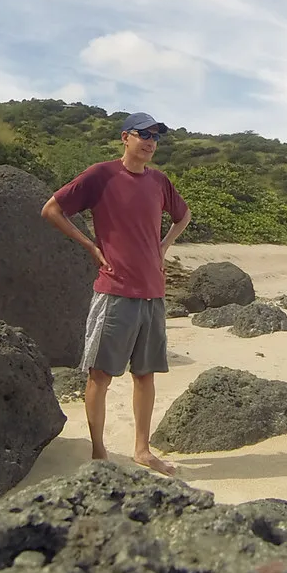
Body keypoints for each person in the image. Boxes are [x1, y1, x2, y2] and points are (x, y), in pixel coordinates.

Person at [41, 111, 191, 476]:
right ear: (125, 137)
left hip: (153, 294)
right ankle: (98, 453)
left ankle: (143, 449)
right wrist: (91, 247)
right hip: (115, 292)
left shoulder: (159, 182)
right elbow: (52, 209)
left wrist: (163, 247)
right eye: (144, 134)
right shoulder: (102, 175)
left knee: (146, 375)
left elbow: (182, 216)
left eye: (156, 137)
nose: (151, 142)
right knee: (100, 376)